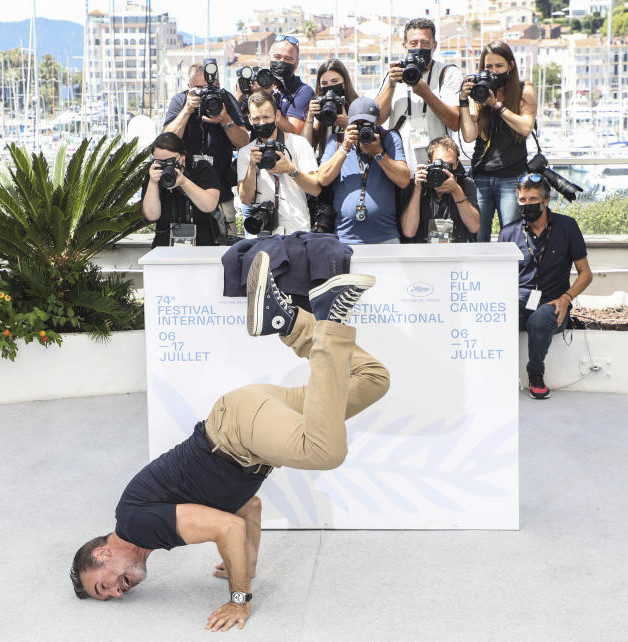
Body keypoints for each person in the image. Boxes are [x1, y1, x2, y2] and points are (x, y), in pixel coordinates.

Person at [70, 251, 389, 633]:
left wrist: (240, 598)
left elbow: (228, 529)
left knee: (324, 450)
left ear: (103, 554)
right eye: (110, 596)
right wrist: (247, 565)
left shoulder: (136, 526)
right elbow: (247, 508)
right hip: (248, 418)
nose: (117, 592)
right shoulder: (141, 523)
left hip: (238, 434)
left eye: (103, 585)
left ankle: (326, 320)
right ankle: (290, 322)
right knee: (372, 378)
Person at [497, 174, 593, 399]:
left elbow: (586, 274)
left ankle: (536, 373)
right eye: (522, 200)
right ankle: (496, 373)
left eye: (532, 199)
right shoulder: (508, 232)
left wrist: (566, 298)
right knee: (498, 313)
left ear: (546, 201)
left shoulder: (567, 227)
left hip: (554, 300)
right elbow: (500, 278)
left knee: (540, 318)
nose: (527, 204)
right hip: (520, 298)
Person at [459, 42, 538, 241]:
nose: (494, 72)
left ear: (510, 66)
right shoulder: (479, 91)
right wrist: (464, 101)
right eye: (489, 67)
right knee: (477, 237)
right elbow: (469, 136)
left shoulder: (523, 90)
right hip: (481, 176)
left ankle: (512, 274)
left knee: (511, 238)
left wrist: (496, 105)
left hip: (511, 177)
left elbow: (525, 127)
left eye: (499, 66)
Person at [163, 62, 250, 237]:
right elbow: (166, 142)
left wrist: (225, 119)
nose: (205, 94)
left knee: (227, 251)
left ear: (217, 84)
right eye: (198, 89)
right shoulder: (180, 101)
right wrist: (187, 111)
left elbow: (244, 142)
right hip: (184, 196)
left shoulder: (225, 100)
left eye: (209, 87)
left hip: (221, 195)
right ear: (189, 87)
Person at [317, 97, 411, 244]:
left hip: (386, 238)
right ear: (348, 123)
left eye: (366, 124)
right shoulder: (337, 141)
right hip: (344, 238)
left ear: (378, 121)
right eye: (356, 124)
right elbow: (323, 178)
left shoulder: (389, 138)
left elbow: (404, 180)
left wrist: (379, 153)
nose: (362, 129)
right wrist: (345, 148)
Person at [376, 17, 463, 174]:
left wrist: (426, 93)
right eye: (414, 43)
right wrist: (391, 84)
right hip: (402, 168)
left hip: (438, 167)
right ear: (405, 46)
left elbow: (454, 122)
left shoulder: (447, 73)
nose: (419, 48)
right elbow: (378, 119)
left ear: (434, 46)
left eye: (425, 43)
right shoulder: (395, 73)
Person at [237, 92, 321, 235]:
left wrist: (290, 170)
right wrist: (252, 166)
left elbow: (315, 189)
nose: (262, 123)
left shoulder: (299, 144)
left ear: (276, 116)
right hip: (262, 229)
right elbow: (245, 199)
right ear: (250, 119)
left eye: (266, 117)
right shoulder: (246, 152)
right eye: (256, 118)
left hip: (295, 229)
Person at [142, 132, 221, 247]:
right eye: (159, 162)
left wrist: (184, 182)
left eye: (170, 161)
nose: (165, 166)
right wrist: (153, 183)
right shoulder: (153, 175)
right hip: (165, 246)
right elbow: (151, 216)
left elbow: (209, 205)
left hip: (202, 244)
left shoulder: (201, 169)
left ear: (182, 156)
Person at [401, 136, 480, 243]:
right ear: (429, 163)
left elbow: (474, 227)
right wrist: (417, 190)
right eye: (440, 164)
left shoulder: (465, 184)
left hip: (456, 252)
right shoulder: (417, 184)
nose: (444, 170)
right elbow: (408, 231)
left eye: (449, 165)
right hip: (423, 253)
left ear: (457, 163)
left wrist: (456, 190)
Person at [302, 58, 359, 159]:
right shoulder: (321, 109)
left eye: (335, 81)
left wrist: (347, 125)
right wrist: (310, 116)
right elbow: (305, 147)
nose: (330, 87)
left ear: (344, 83)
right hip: (327, 166)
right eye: (324, 84)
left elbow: (367, 146)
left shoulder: (358, 106)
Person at [268, 35, 316, 136]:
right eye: (277, 57)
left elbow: (293, 131)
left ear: (296, 63)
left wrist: (264, 98)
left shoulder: (303, 91)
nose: (281, 61)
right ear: (269, 59)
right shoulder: (258, 83)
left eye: (288, 59)